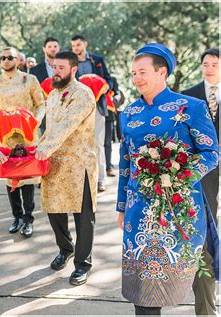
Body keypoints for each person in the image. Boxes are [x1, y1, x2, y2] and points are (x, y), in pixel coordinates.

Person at [116, 43, 218, 315]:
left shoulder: (191, 107)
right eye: (133, 73)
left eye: (142, 72)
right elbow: (125, 163)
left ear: (162, 72)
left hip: (182, 205)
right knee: (143, 281)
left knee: (196, 264)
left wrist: (179, 174)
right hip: (140, 209)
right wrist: (122, 206)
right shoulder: (128, 114)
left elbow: (211, 152)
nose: (136, 78)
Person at [35, 50, 98, 286]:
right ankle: (65, 248)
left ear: (73, 69)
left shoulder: (83, 94)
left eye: (61, 68)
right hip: (53, 163)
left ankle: (83, 264)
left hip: (78, 164)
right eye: (54, 67)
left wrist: (44, 149)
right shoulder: (52, 95)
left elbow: (66, 126)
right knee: (54, 211)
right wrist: (33, 151)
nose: (56, 71)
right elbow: (48, 128)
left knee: (83, 217)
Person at [0, 47, 45, 237]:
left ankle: (29, 219)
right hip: (6, 138)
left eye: (10, 57)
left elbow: (41, 104)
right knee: (10, 175)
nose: (6, 60)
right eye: (2, 57)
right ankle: (17, 217)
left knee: (27, 176)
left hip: (27, 135)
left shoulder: (29, 80)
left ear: (18, 60)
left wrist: (34, 122)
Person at [181, 48, 219, 316]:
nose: (209, 68)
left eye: (214, 64)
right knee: (207, 223)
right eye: (205, 64)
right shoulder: (189, 95)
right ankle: (206, 303)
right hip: (204, 168)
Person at [71, 34, 114, 192]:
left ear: (85, 44)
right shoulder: (70, 61)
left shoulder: (98, 60)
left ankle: (100, 180)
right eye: (74, 46)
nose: (76, 48)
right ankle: (83, 181)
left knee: (98, 144)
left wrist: (104, 87)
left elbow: (109, 80)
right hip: (77, 109)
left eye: (78, 45)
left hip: (98, 107)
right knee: (79, 144)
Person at [30, 37, 60, 135]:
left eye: (55, 46)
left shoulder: (67, 67)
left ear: (59, 48)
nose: (53, 49)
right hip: (44, 116)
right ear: (44, 49)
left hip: (63, 113)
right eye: (49, 46)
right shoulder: (35, 70)